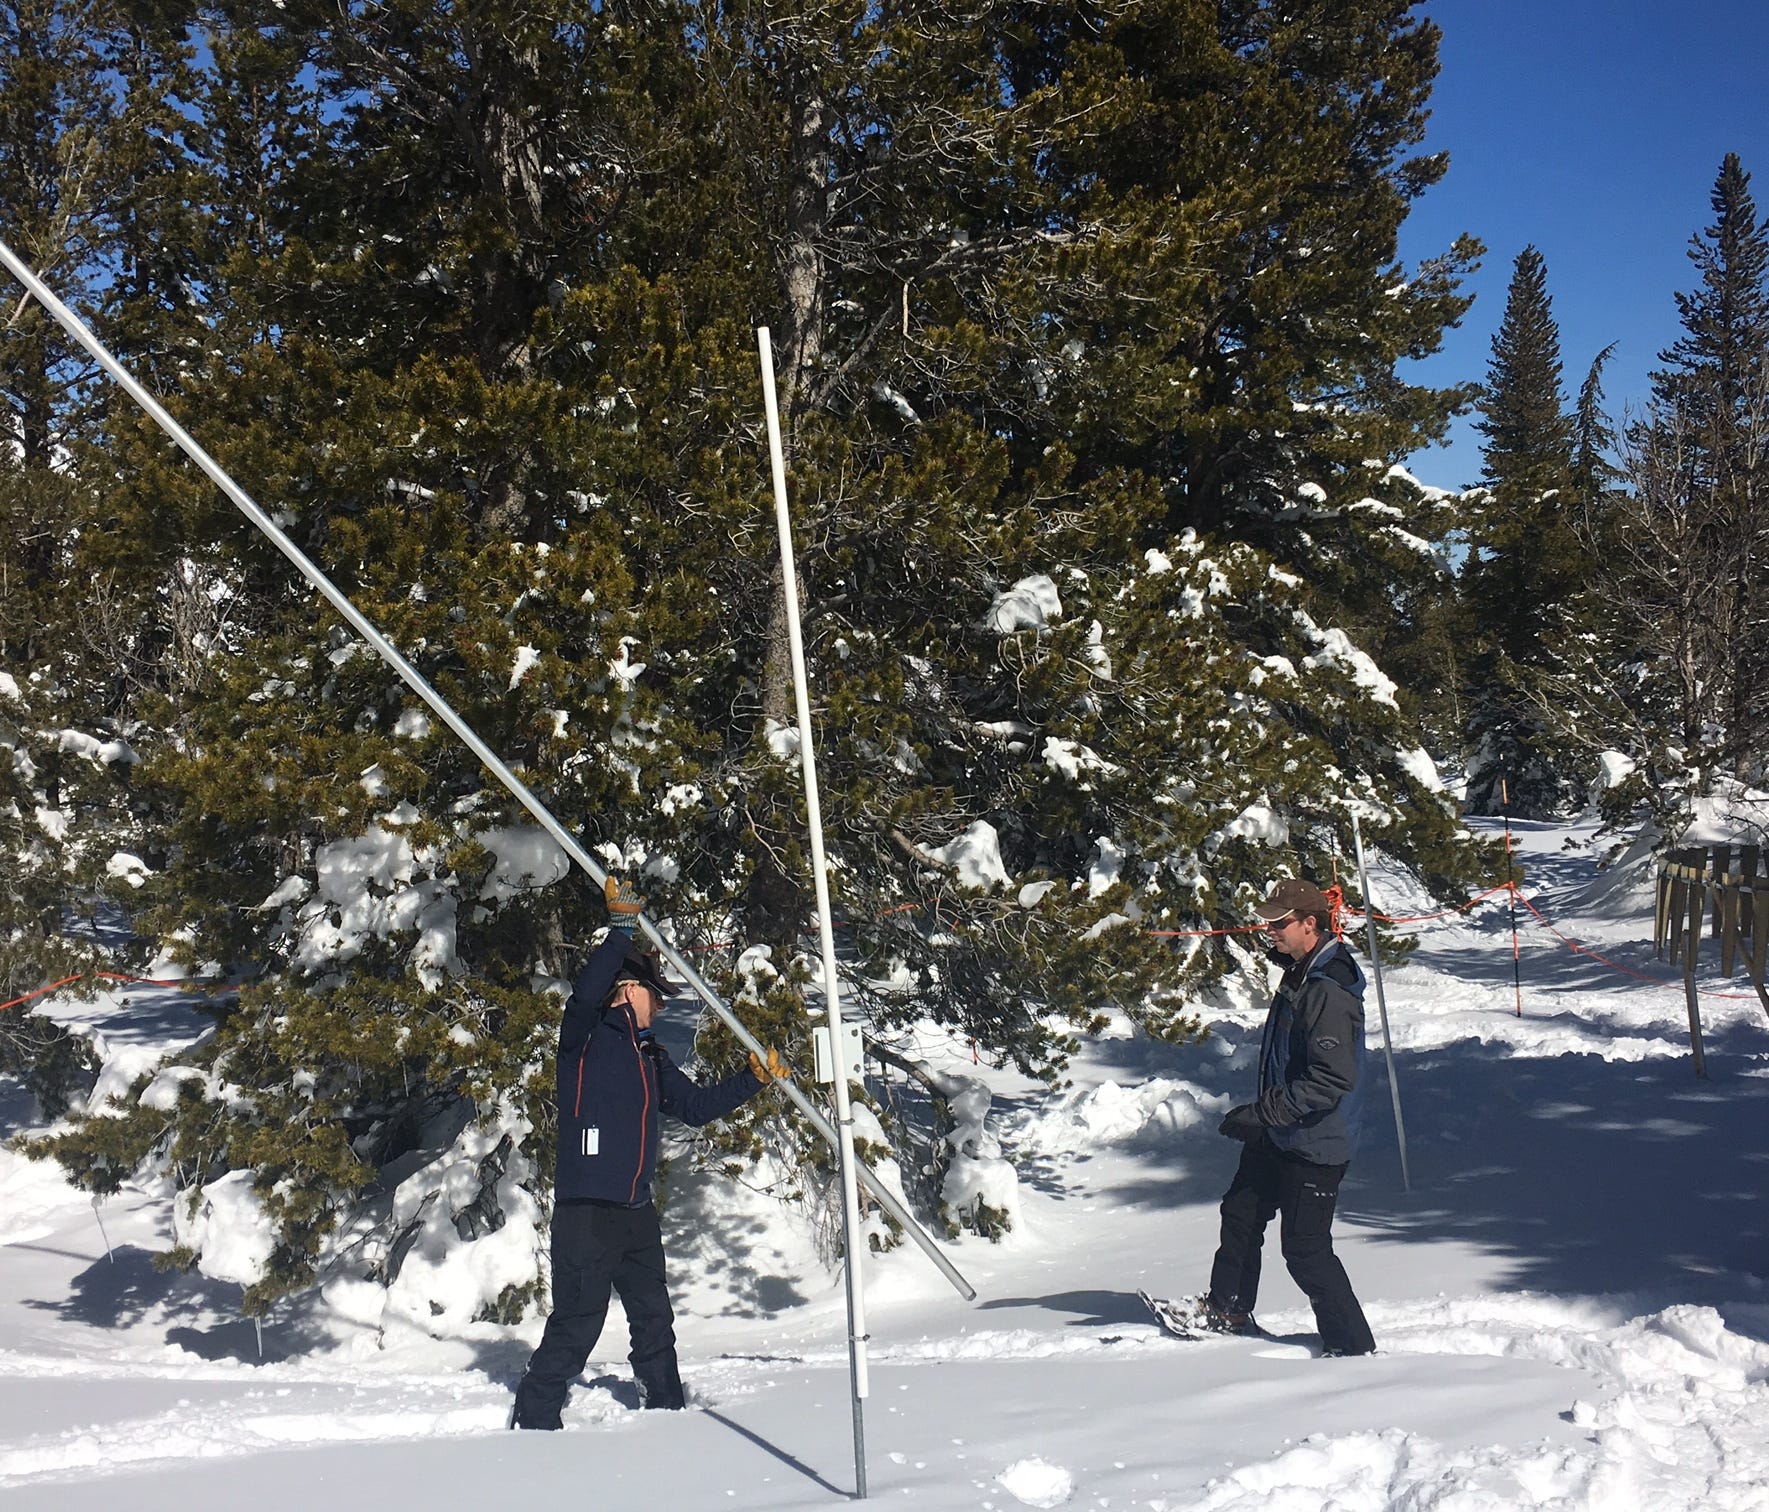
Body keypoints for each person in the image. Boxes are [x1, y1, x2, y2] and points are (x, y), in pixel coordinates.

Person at [511, 877, 789, 1428]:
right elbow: (586, 992)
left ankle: (666, 1409)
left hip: (636, 1213)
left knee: (654, 1318)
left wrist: (752, 1080)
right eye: (655, 996)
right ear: (629, 989)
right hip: (586, 1211)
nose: (659, 1008)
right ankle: (535, 1417)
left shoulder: (649, 1057)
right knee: (579, 1321)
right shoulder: (584, 1040)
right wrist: (619, 931)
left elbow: (696, 1106)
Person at [1200, 877, 1377, 1357]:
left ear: (1310, 924)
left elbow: (1330, 1080)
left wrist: (1262, 1114)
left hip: (1316, 1141)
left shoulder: (1328, 991)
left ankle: (1354, 1348)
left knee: (1305, 1249)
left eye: (1280, 923)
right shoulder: (1301, 972)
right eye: (1269, 921)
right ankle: (1227, 1309)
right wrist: (1268, 1122)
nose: (1269, 929)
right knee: (1240, 1212)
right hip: (1282, 1132)